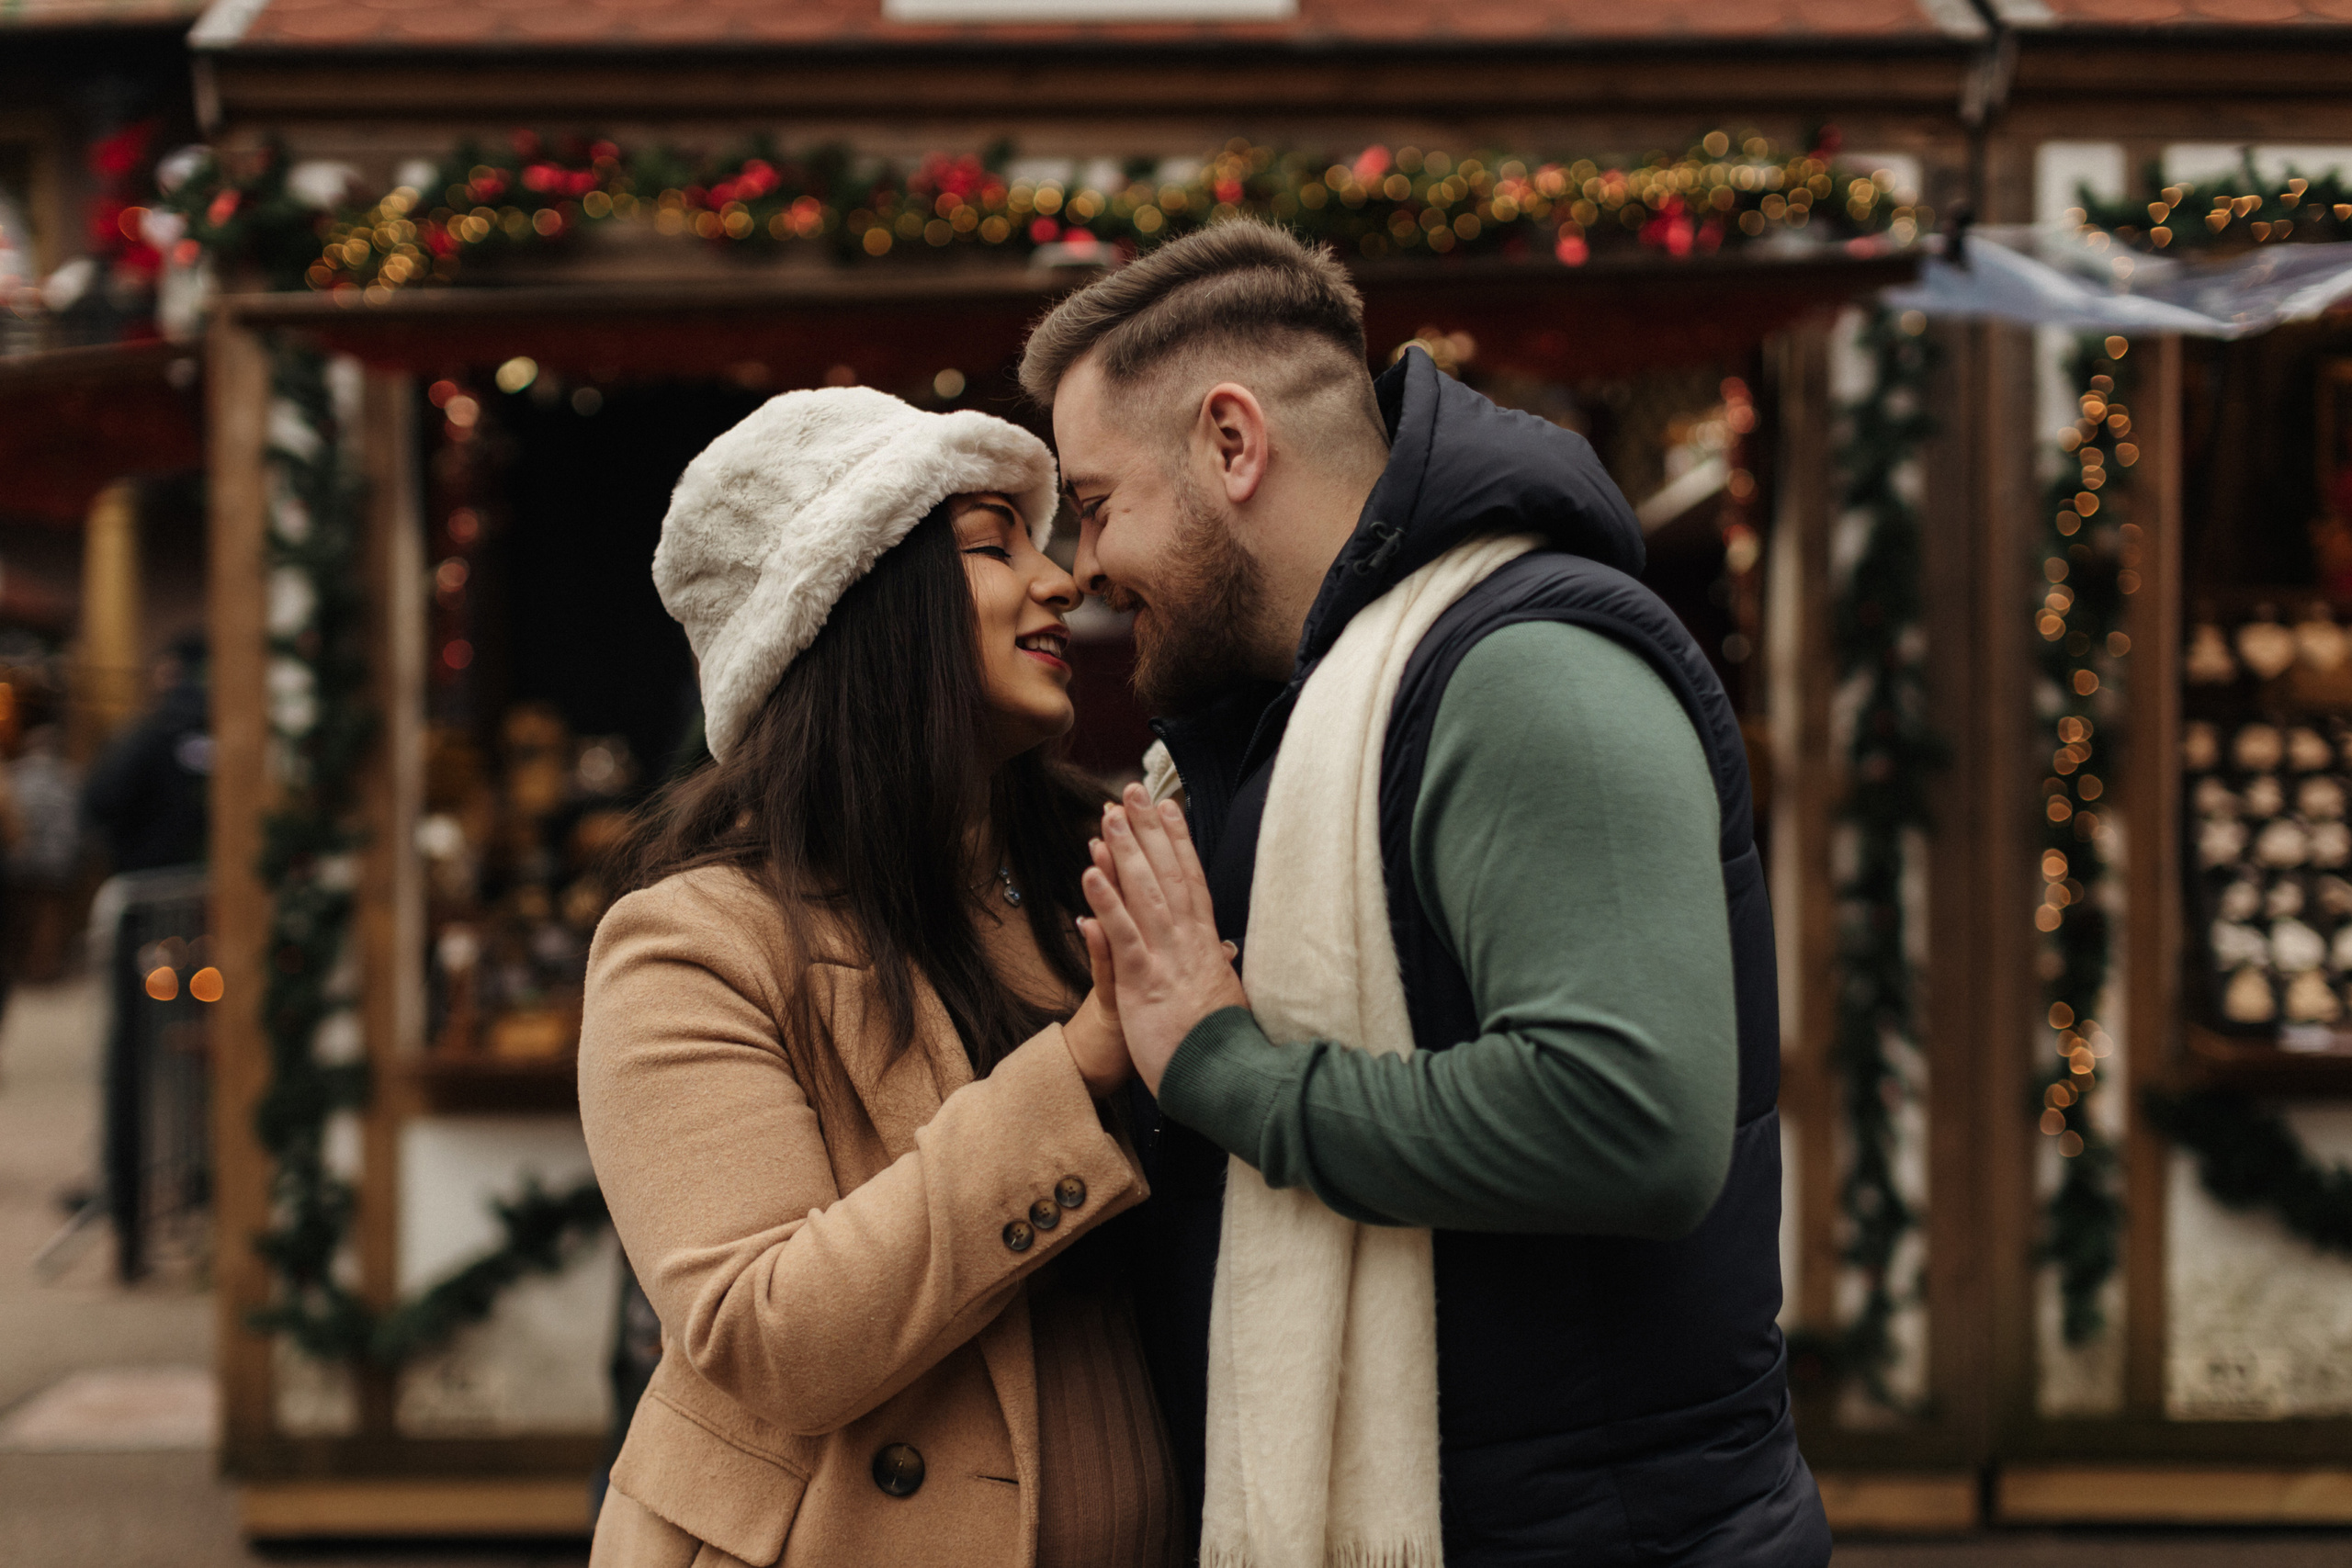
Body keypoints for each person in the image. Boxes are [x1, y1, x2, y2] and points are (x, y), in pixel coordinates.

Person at [1023, 221, 1829, 1566]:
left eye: (1098, 501)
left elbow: (1628, 1116)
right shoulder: (1277, 716)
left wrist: (1223, 1068)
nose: (1084, 565)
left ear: (1233, 443)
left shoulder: (1526, 671)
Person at [578, 388, 1182, 1568]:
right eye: (990, 544)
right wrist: (1082, 1060)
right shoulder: (696, 943)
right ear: (854, 609)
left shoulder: (1096, 871)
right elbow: (770, 1334)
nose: (1061, 578)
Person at [83, 631, 210, 875]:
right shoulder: (235, 738)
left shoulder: (148, 737)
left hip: (148, 878)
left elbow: (101, 799)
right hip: (208, 877)